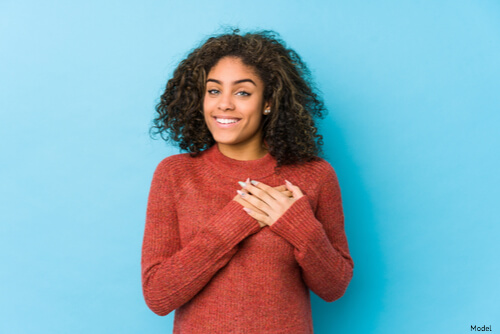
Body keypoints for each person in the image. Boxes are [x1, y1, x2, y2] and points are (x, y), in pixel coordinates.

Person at [141, 29, 354, 333]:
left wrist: (298, 226)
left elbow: (334, 287)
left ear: (268, 102)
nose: (224, 104)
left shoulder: (314, 175)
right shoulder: (175, 174)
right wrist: (234, 223)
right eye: (213, 91)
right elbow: (158, 296)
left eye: (242, 92)